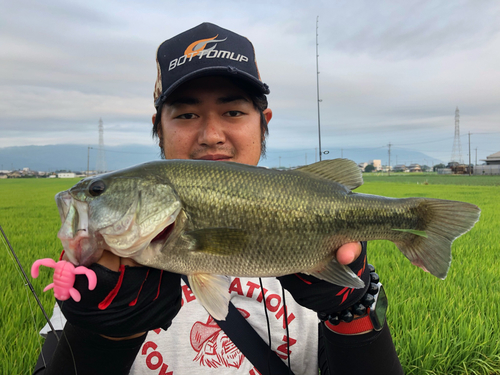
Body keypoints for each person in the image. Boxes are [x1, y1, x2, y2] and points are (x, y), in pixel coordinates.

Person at [34, 22, 404, 375]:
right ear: (157, 128)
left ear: (264, 122)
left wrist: (353, 308)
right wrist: (103, 335)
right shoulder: (102, 273)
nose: (211, 134)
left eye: (233, 111)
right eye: (187, 114)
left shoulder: (332, 255)